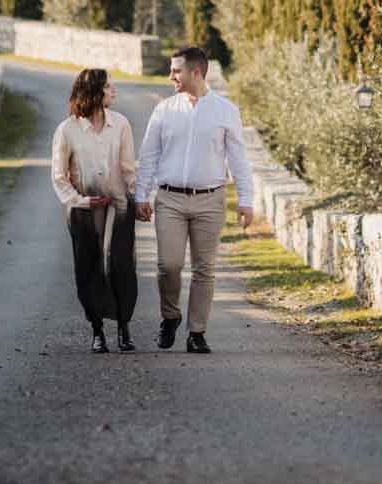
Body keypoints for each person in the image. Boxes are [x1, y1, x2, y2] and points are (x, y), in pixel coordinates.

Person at [133, 45, 254, 354]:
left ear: (196, 72)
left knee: (204, 269)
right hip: (170, 199)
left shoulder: (226, 111)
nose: (171, 76)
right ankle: (170, 316)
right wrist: (141, 195)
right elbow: (149, 156)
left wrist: (246, 199)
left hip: (210, 200)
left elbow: (238, 159)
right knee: (168, 265)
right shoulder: (164, 109)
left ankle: (196, 332)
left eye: (176, 70)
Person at [49, 67, 139, 353]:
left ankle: (124, 326)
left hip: (118, 205)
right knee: (88, 268)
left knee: (120, 264)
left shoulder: (121, 124)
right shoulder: (67, 130)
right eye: (109, 87)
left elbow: (128, 169)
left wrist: (142, 198)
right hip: (84, 208)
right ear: (95, 92)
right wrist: (82, 201)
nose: (114, 91)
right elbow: (59, 177)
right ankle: (97, 329)